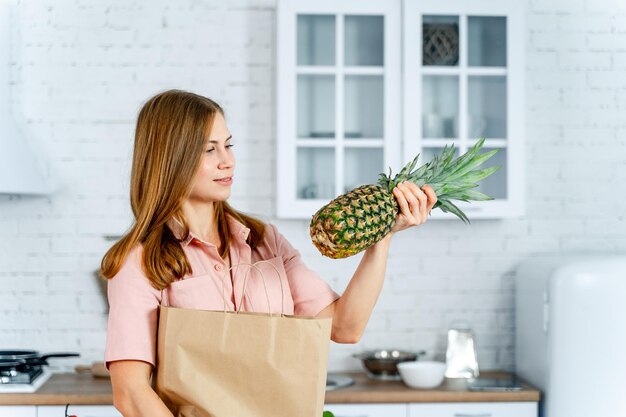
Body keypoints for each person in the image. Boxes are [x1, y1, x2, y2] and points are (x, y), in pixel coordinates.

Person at [100, 89, 438, 417]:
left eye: (228, 145)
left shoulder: (264, 242)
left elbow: (344, 328)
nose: (227, 161)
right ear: (170, 157)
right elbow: (130, 394)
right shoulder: (139, 262)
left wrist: (382, 237)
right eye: (209, 150)